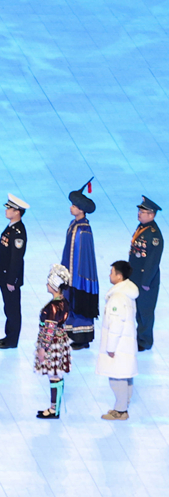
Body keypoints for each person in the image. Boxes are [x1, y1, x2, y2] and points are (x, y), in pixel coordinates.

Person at [98, 261, 139, 420]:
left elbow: (115, 325)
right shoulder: (128, 295)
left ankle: (120, 410)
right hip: (126, 344)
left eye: (112, 272)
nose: (110, 275)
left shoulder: (117, 298)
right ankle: (124, 405)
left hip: (119, 345)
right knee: (125, 375)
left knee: (117, 377)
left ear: (119, 276)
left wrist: (111, 347)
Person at [62, 180, 100, 350]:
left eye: (74, 206)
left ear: (81, 209)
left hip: (79, 276)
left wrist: (78, 277)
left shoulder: (84, 229)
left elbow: (84, 257)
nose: (71, 208)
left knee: (80, 302)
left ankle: (83, 337)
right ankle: (73, 334)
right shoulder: (74, 225)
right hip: (71, 273)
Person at [34, 264, 73, 419]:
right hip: (60, 339)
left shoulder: (52, 307)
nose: (46, 285)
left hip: (52, 342)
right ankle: (54, 407)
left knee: (54, 376)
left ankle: (54, 409)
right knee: (57, 375)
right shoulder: (64, 303)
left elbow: (49, 329)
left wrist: (42, 348)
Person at [0, 195, 30, 348]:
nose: (6, 210)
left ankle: (12, 340)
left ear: (17, 212)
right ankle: (8, 336)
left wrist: (11, 280)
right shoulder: (11, 227)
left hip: (9, 277)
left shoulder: (18, 231)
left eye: (10, 208)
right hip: (4, 275)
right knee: (8, 307)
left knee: (13, 309)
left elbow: (16, 258)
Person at [129, 196, 162, 351]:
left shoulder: (154, 235)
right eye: (139, 210)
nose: (139, 213)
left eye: (143, 211)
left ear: (152, 214)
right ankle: (139, 336)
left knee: (146, 311)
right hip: (136, 276)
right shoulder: (142, 228)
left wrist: (146, 282)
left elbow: (152, 261)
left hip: (145, 279)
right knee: (138, 310)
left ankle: (145, 341)